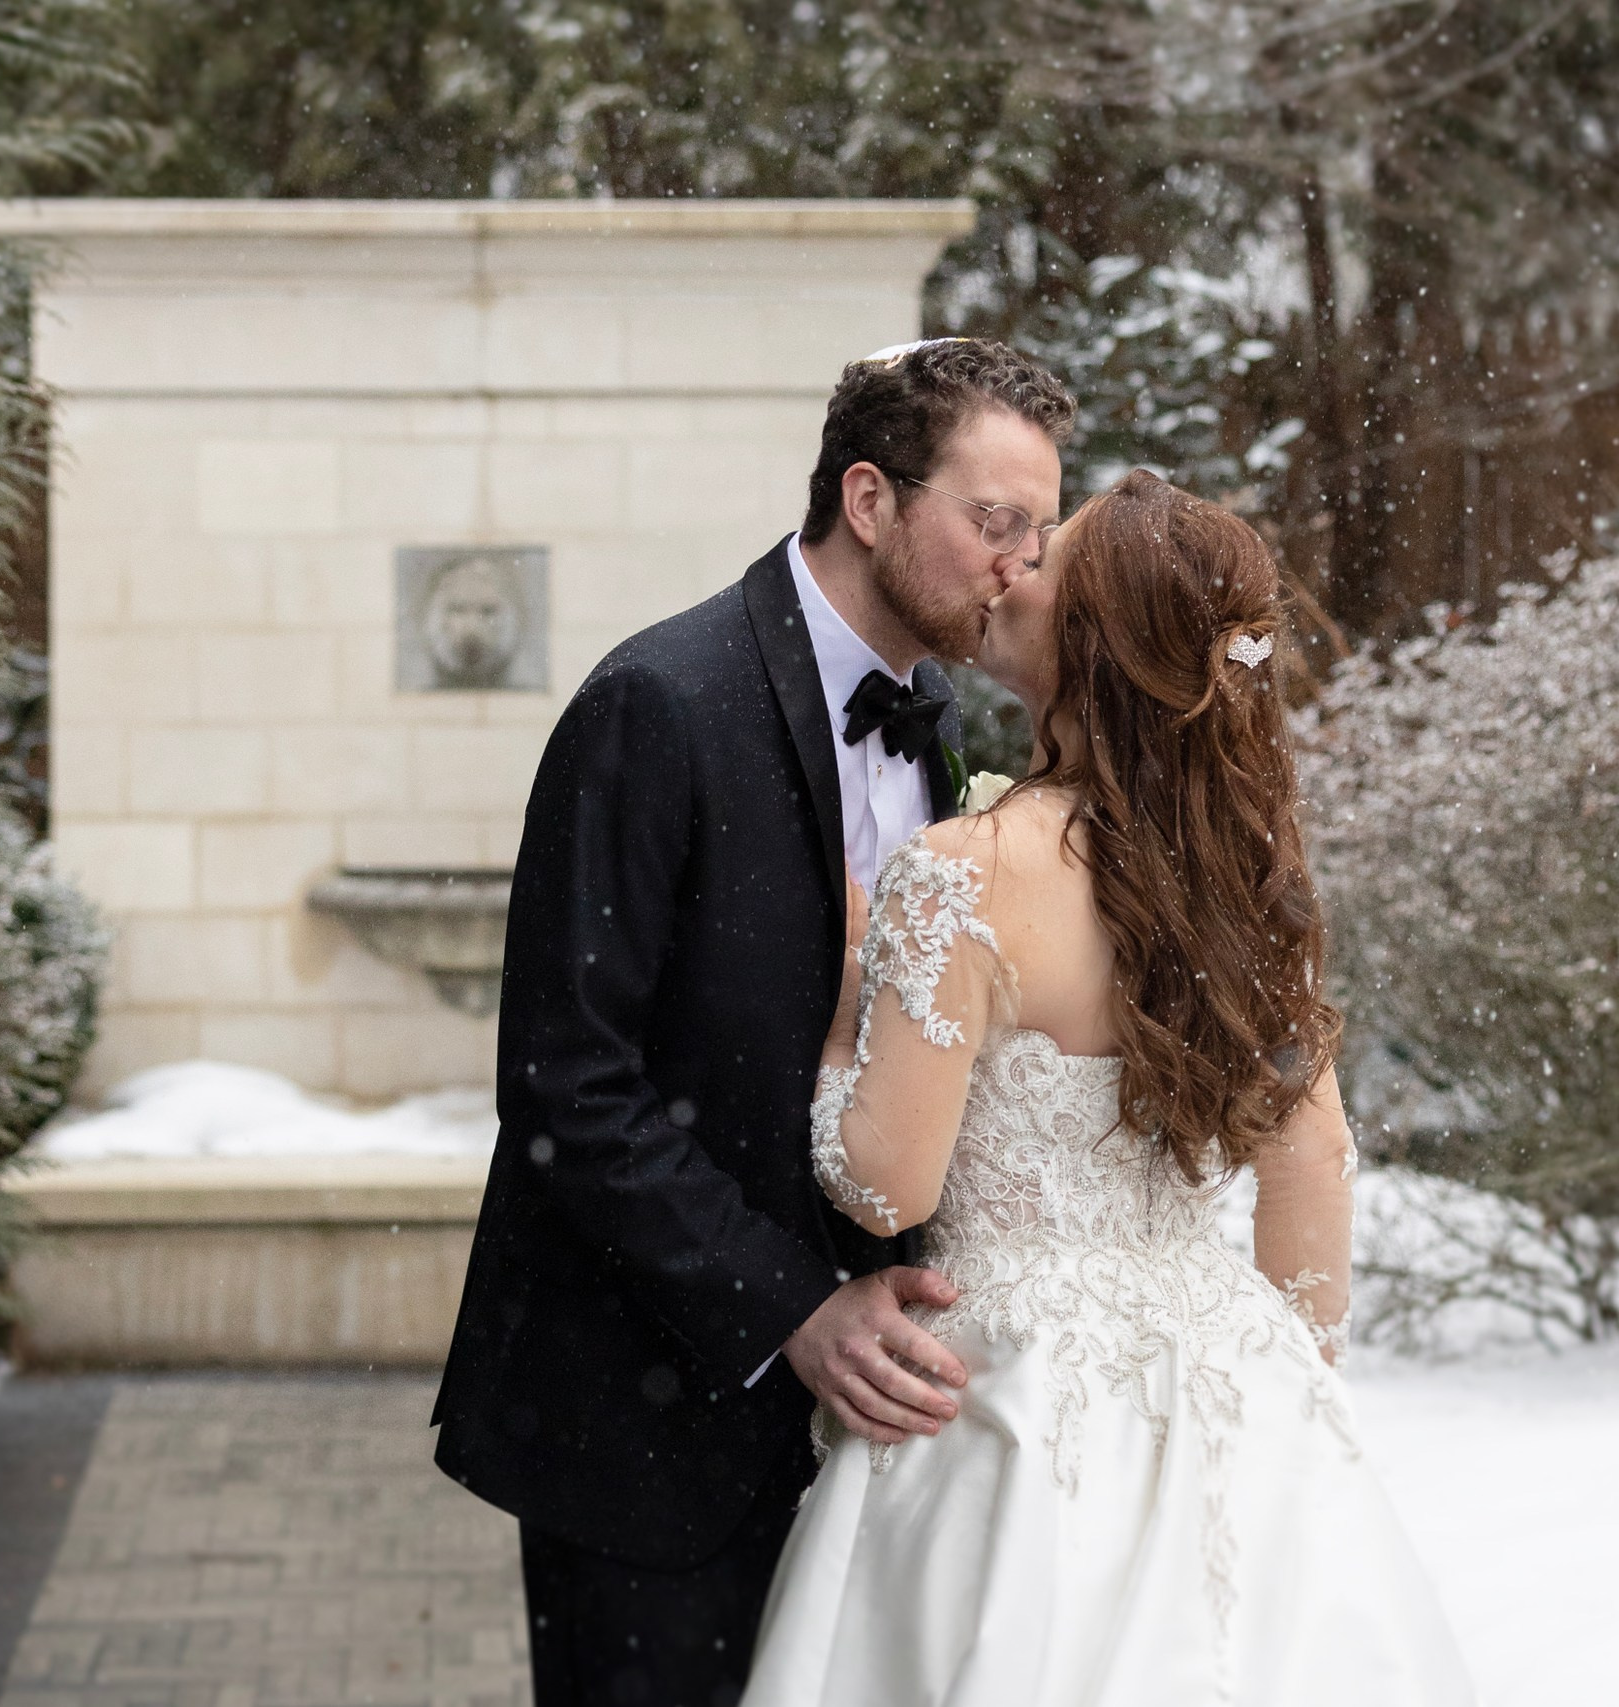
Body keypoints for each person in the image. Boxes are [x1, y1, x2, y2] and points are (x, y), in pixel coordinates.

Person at [739, 469, 1477, 1705]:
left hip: (1008, 1406)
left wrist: (840, 1020)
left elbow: (881, 1186)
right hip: (1231, 1381)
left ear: (1093, 643)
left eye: (1048, 559)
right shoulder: (1250, 878)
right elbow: (1311, 1176)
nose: (1013, 565)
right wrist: (1276, 1401)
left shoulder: (964, 871)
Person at [432, 337, 1076, 1707]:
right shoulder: (654, 703)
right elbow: (566, 1086)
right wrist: (791, 1307)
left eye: (1039, 529)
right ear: (869, 498)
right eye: (994, 520)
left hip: (879, 1444)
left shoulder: (949, 719)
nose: (1021, 563)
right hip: (644, 1422)